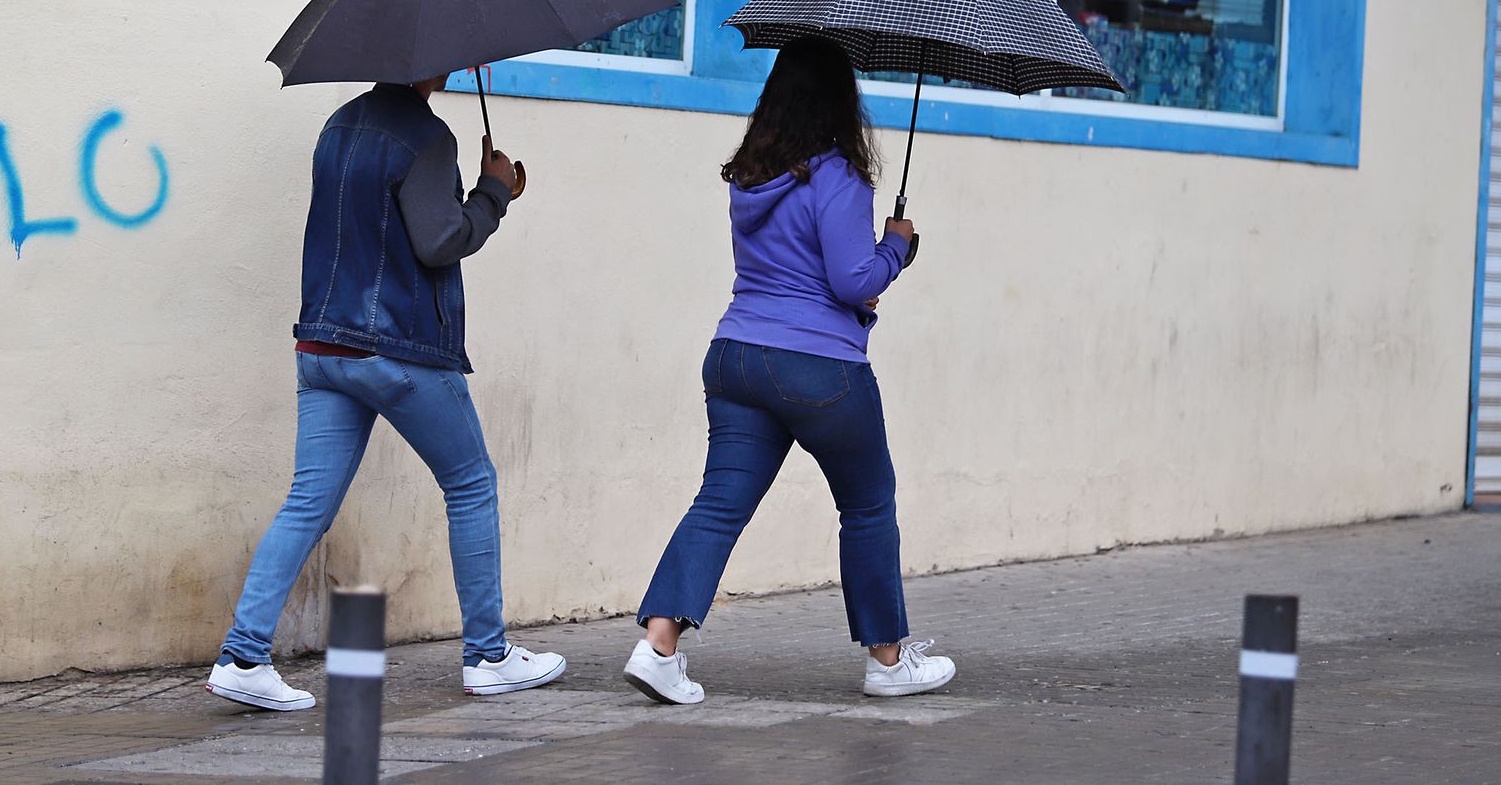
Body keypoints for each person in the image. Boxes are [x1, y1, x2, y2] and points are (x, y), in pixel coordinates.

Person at [206, 76, 564, 711]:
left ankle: (243, 656)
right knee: (472, 482)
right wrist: (494, 192)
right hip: (395, 348)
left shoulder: (338, 124)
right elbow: (440, 241)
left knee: (306, 504)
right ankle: (487, 655)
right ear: (429, 63)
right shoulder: (426, 137)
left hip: (322, 346)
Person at [622, 37, 956, 705]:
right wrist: (897, 247)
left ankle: (658, 646)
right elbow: (848, 279)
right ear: (840, 99)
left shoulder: (751, 178)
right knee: (867, 503)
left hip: (737, 357)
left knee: (720, 502)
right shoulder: (836, 175)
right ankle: (888, 662)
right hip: (819, 368)